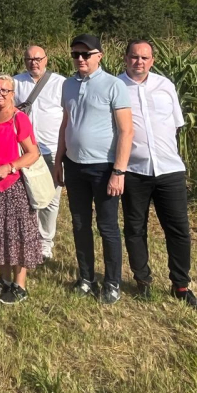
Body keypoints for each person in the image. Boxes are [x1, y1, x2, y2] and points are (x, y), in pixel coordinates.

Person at [119, 40, 197, 310]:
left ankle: (181, 285)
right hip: (134, 170)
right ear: (126, 58)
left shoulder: (165, 85)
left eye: (145, 58)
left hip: (169, 169)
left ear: (152, 60)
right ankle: (142, 281)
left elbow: (175, 124)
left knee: (178, 230)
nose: (139, 62)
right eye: (134, 57)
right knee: (135, 229)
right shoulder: (116, 87)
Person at [52, 34, 133, 304]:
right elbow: (66, 124)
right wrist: (59, 161)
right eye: (76, 54)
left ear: (99, 56)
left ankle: (112, 282)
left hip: (104, 167)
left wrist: (119, 171)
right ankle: (86, 278)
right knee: (79, 224)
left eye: (86, 54)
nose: (80, 59)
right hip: (74, 166)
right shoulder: (68, 85)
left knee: (107, 226)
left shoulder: (114, 85)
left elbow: (126, 130)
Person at [0, 74, 43, 304]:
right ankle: (3, 279)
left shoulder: (18, 118)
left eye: (5, 90)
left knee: (15, 235)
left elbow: (33, 153)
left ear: (13, 94)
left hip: (11, 187)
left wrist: (10, 166)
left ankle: (19, 285)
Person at [14, 45, 66, 260]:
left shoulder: (61, 83)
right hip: (24, 150)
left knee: (51, 198)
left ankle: (45, 242)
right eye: (29, 59)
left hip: (52, 149)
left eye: (37, 59)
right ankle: (29, 238)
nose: (33, 62)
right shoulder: (15, 82)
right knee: (27, 196)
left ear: (46, 59)